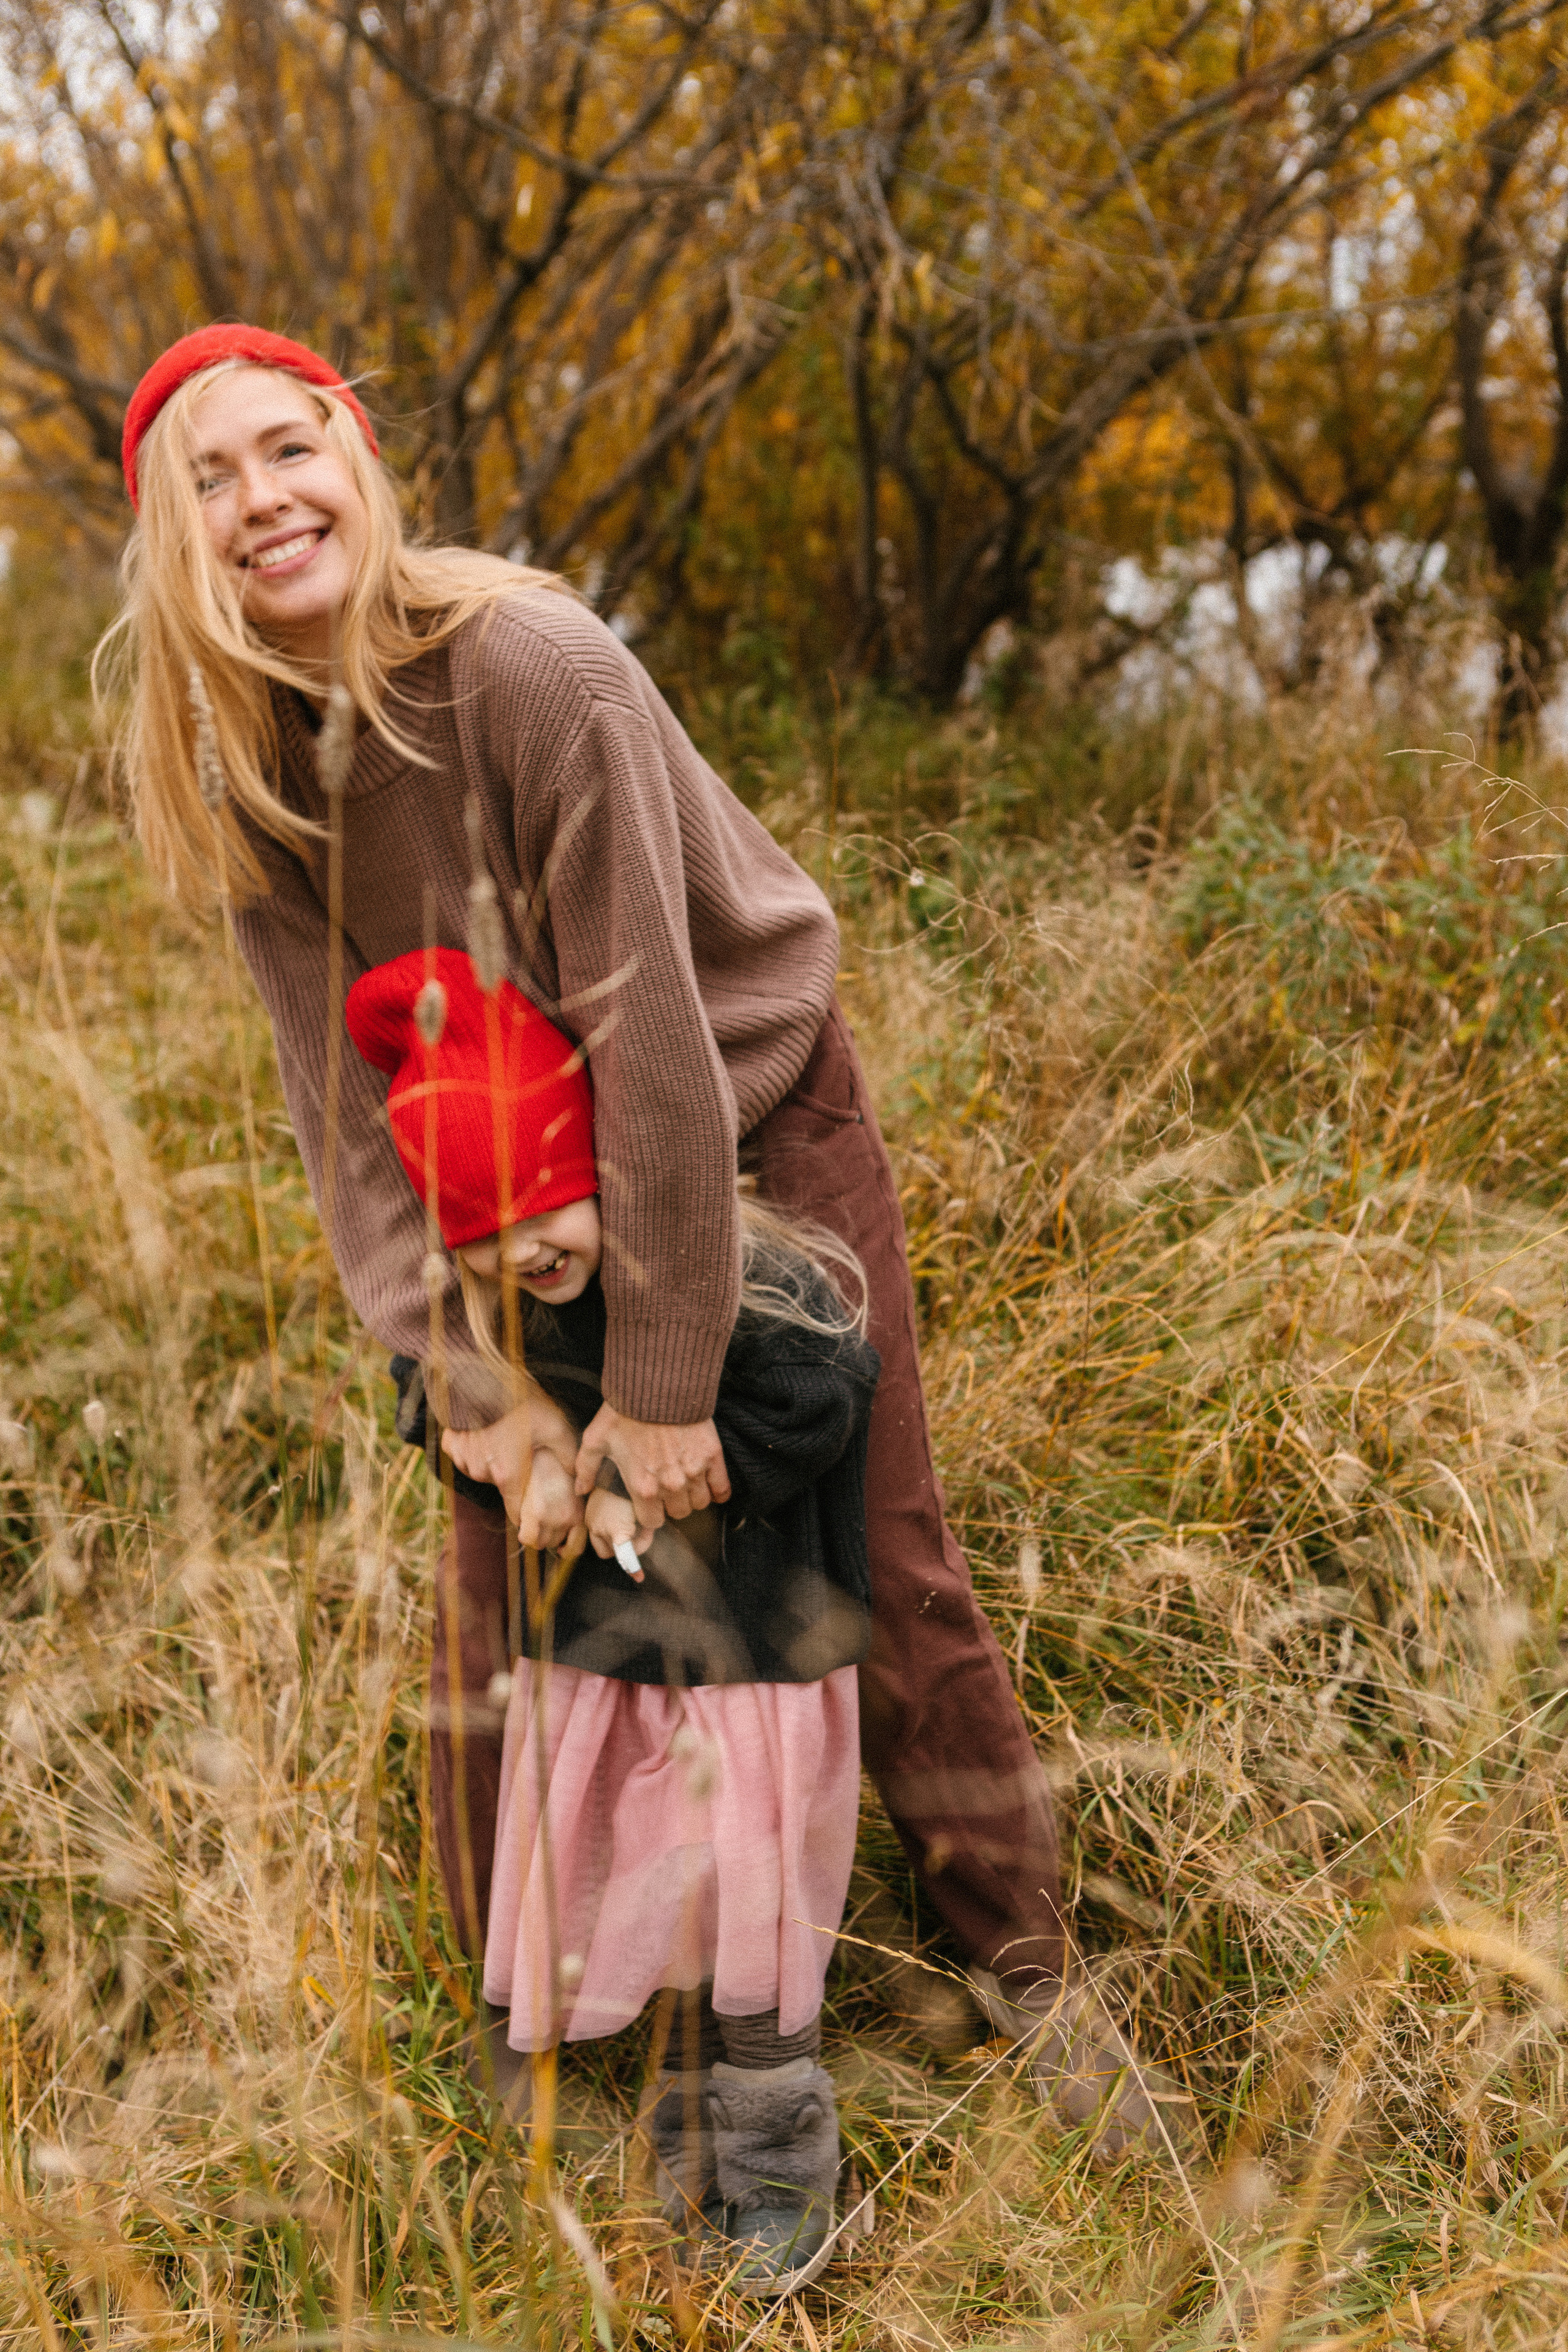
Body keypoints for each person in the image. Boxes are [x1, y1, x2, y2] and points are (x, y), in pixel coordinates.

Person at [102, 322, 1185, 2166]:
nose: (260, 502)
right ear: (163, 534)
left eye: (287, 450)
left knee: (873, 1555)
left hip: (745, 1126)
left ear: (355, 453)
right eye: (207, 480)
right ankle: (514, 2019)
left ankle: (1027, 1962)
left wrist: (670, 1371)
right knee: (498, 1577)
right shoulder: (240, 756)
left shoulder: (534, 669)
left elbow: (662, 1045)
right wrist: (457, 1377)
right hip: (499, 1184)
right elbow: (334, 1094)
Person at [344, 945, 877, 2290]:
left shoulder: (740, 1285)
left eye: (542, 1206)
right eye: (476, 1231)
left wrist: (654, 1470)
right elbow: (427, 1403)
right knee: (605, 1869)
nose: (521, 1248)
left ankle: (768, 2158)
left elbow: (818, 1402)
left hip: (752, 1663)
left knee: (747, 1904)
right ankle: (568, 2108)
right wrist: (505, 1446)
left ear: (599, 1169)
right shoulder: (494, 1323)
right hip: (595, 1670)